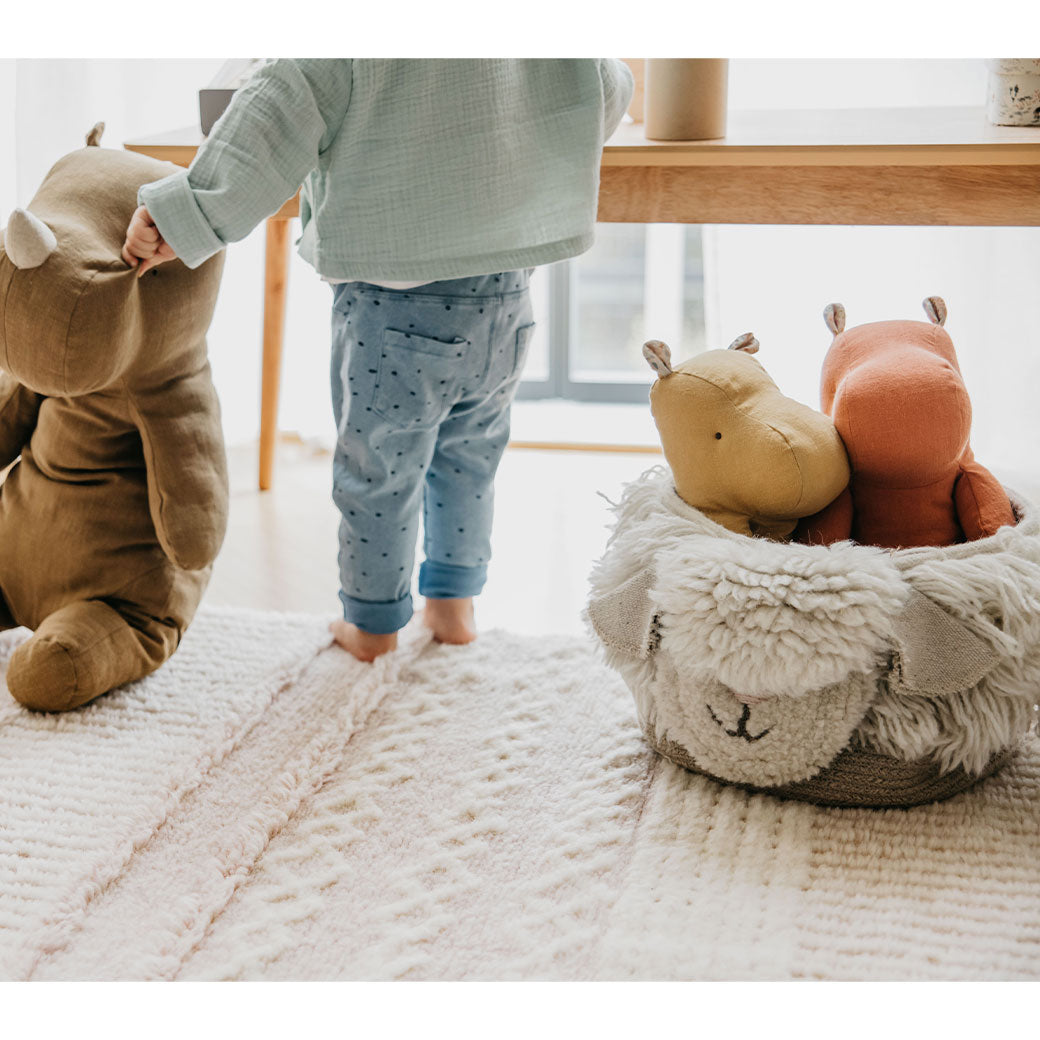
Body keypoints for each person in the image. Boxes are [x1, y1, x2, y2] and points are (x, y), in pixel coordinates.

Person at [122, 58, 634, 661]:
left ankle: (372, 626)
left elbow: (272, 116)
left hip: (393, 305)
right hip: (506, 299)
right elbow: (606, 86)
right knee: (472, 458)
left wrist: (180, 217)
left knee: (379, 475)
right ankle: (453, 610)